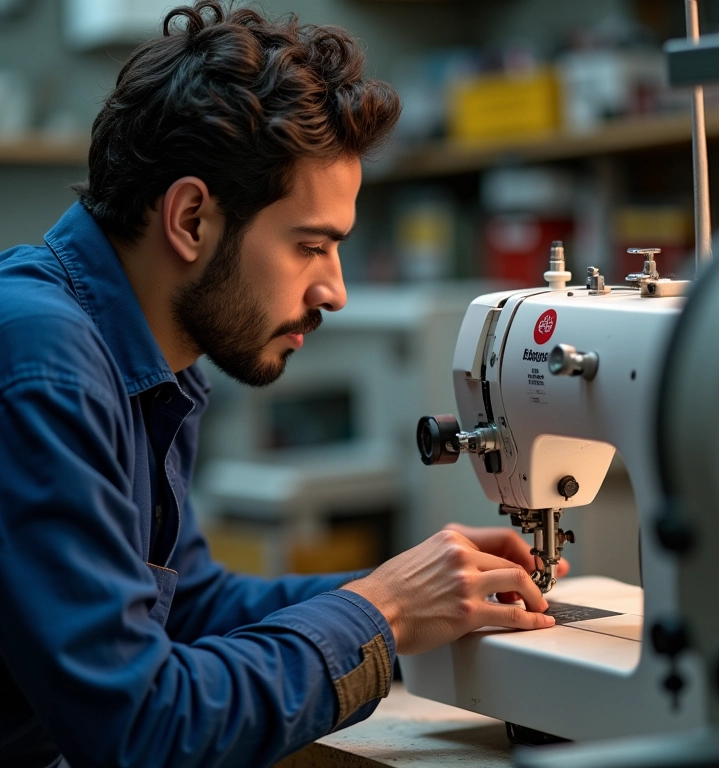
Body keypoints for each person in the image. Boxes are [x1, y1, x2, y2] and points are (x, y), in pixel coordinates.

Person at [0, 2, 563, 766]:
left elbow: (187, 606)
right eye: (309, 246)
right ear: (190, 219)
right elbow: (141, 731)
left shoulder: (147, 362)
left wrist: (419, 590)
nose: (336, 291)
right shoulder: (44, 363)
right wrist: (383, 612)